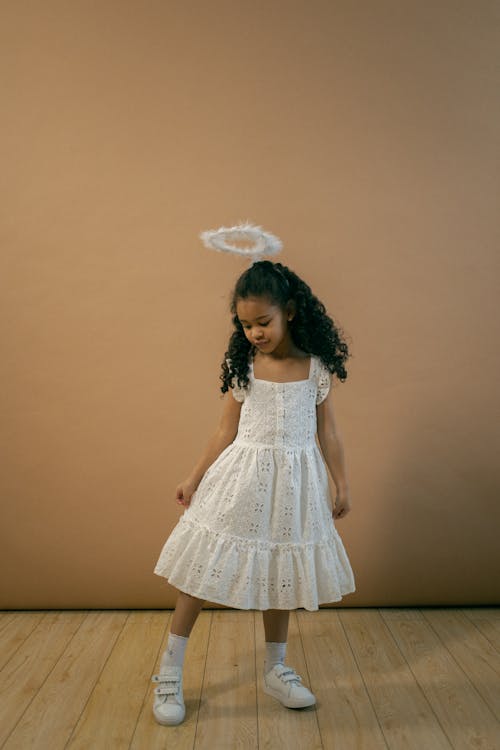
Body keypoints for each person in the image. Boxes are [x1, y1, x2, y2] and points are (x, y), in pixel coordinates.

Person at [151, 259, 356, 725]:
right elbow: (225, 429)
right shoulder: (244, 364)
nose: (255, 333)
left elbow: (330, 433)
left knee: (281, 573)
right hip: (243, 477)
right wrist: (194, 476)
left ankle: (276, 668)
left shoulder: (315, 367)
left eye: (263, 322)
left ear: (290, 311)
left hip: (296, 484)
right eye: (245, 325)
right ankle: (169, 670)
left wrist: (341, 482)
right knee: (199, 573)